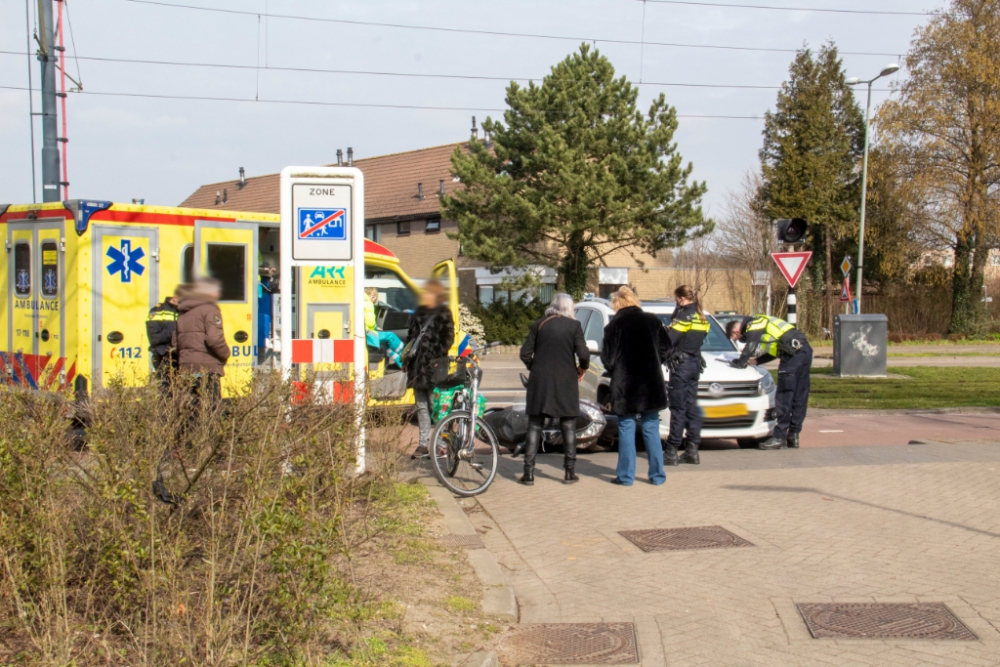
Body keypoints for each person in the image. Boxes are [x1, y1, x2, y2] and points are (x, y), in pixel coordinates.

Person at [517, 293, 590, 485]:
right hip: (566, 379)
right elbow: (583, 353)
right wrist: (582, 368)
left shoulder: (538, 324)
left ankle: (528, 474)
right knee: (568, 425)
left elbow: (525, 353)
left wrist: (535, 366)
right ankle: (569, 472)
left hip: (540, 380)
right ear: (568, 308)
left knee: (534, 424)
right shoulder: (574, 326)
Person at [601, 287, 671, 486]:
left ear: (617, 304)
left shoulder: (614, 326)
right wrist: (655, 361)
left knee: (626, 427)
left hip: (626, 385)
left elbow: (608, 359)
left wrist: (617, 368)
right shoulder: (653, 321)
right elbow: (667, 349)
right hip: (650, 383)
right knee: (651, 427)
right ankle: (657, 475)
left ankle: (626, 476)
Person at [726, 315, 812, 450]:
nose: (741, 340)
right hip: (803, 350)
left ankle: (779, 437)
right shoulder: (767, 327)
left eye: (737, 338)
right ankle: (793, 435)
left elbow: (752, 344)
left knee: (784, 397)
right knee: (799, 396)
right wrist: (756, 361)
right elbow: (774, 351)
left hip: (791, 356)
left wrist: (740, 362)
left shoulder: (754, 323)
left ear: (737, 331)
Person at [404, 280, 455, 458]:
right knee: (421, 407)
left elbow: (449, 338)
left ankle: (441, 444)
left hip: (434, 367)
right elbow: (410, 338)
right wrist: (407, 359)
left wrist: (436, 354)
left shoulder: (443, 313)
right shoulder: (417, 313)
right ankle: (422, 445)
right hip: (417, 368)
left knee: (436, 407)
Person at [663, 285, 710, 465]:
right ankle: (692, 450)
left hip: (681, 366)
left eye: (676, 299)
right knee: (692, 408)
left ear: (681, 298)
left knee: (678, 409)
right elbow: (694, 339)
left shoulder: (683, 316)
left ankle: (671, 452)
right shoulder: (702, 316)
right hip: (694, 365)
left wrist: (667, 331)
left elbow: (671, 340)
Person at [172, 278, 231, 404]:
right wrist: (225, 354)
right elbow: (214, 339)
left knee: (191, 411)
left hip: (186, 368)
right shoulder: (210, 309)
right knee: (210, 410)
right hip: (207, 368)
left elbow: (175, 344)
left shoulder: (183, 313)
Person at [147, 289, 180, 388]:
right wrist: (175, 334)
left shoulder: (185, 312)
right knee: (165, 389)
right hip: (163, 355)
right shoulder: (157, 311)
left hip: (182, 356)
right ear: (175, 297)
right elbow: (154, 338)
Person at [364, 286, 404, 367]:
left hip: (365, 331)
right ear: (372, 295)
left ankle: (401, 363)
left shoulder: (360, 301)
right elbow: (370, 322)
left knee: (387, 345)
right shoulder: (367, 303)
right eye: (373, 296)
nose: (373, 298)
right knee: (390, 336)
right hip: (367, 333)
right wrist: (375, 327)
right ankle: (404, 354)